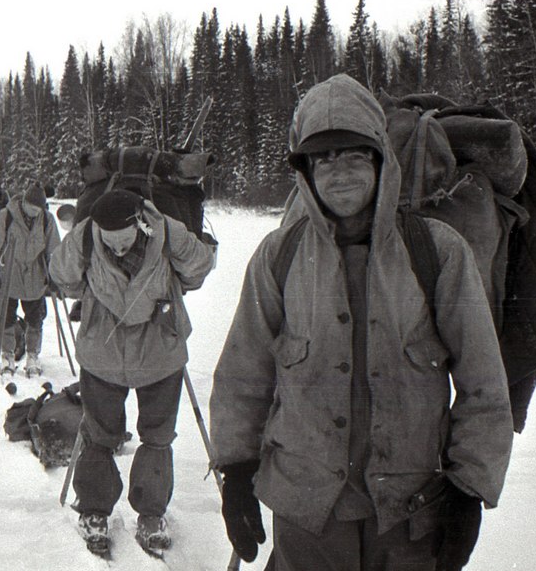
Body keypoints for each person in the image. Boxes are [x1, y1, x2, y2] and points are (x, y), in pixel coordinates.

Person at [208, 73, 514, 571]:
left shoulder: (437, 251)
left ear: (380, 159)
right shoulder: (278, 256)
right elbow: (244, 376)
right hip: (306, 517)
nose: (339, 171)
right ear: (305, 171)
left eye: (353, 153)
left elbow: (483, 382)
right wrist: (237, 474)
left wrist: (469, 490)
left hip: (410, 518)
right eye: (323, 158)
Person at [49, 189, 214, 557]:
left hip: (160, 353)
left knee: (157, 436)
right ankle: (94, 510)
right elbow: (63, 275)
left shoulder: (168, 232)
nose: (118, 249)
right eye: (110, 242)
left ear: (141, 223)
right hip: (102, 355)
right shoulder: (86, 236)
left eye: (125, 241)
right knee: (99, 433)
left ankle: (151, 514)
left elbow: (199, 268)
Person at [0, 182, 60, 377]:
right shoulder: (6, 216)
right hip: (9, 274)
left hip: (36, 276)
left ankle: (33, 355)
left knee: (36, 319)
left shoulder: (47, 220)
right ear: (24, 202)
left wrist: (56, 274)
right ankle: (7, 355)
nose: (34, 212)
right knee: (6, 318)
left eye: (38, 209)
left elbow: (54, 249)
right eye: (31, 208)